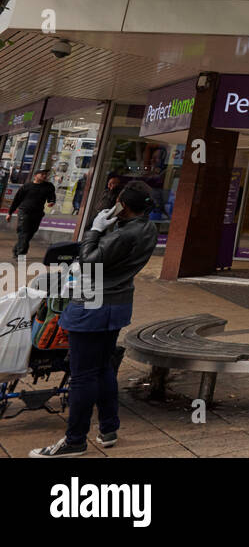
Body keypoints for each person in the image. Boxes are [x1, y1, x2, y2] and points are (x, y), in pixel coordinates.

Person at [30, 180, 159, 457]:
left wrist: (95, 230)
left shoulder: (121, 235)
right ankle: (108, 429)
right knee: (103, 368)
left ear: (123, 205)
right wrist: (111, 225)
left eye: (118, 202)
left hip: (91, 306)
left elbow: (88, 259)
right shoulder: (147, 228)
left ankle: (74, 440)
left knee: (83, 375)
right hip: (117, 305)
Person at [7, 168, 56, 258]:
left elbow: (51, 197)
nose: (45, 176)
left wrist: (51, 202)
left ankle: (16, 249)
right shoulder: (26, 186)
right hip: (24, 212)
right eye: (42, 174)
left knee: (30, 234)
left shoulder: (49, 186)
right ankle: (21, 254)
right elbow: (17, 200)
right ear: (35, 176)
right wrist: (10, 213)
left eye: (46, 174)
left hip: (38, 213)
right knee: (24, 232)